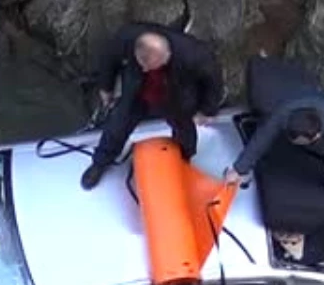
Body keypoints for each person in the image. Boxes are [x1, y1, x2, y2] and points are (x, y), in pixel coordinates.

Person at [80, 22, 225, 190]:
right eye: (141, 63)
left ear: (165, 56)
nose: (144, 68)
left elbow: (213, 80)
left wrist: (207, 110)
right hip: (138, 93)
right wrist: (106, 87)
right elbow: (109, 57)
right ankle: (100, 162)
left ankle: (183, 159)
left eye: (149, 66)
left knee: (184, 131)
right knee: (117, 124)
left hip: (176, 98)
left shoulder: (195, 55)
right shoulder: (127, 37)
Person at [223, 56, 324, 211]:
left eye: (299, 141)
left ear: (315, 137)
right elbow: (267, 131)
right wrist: (239, 169)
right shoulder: (292, 108)